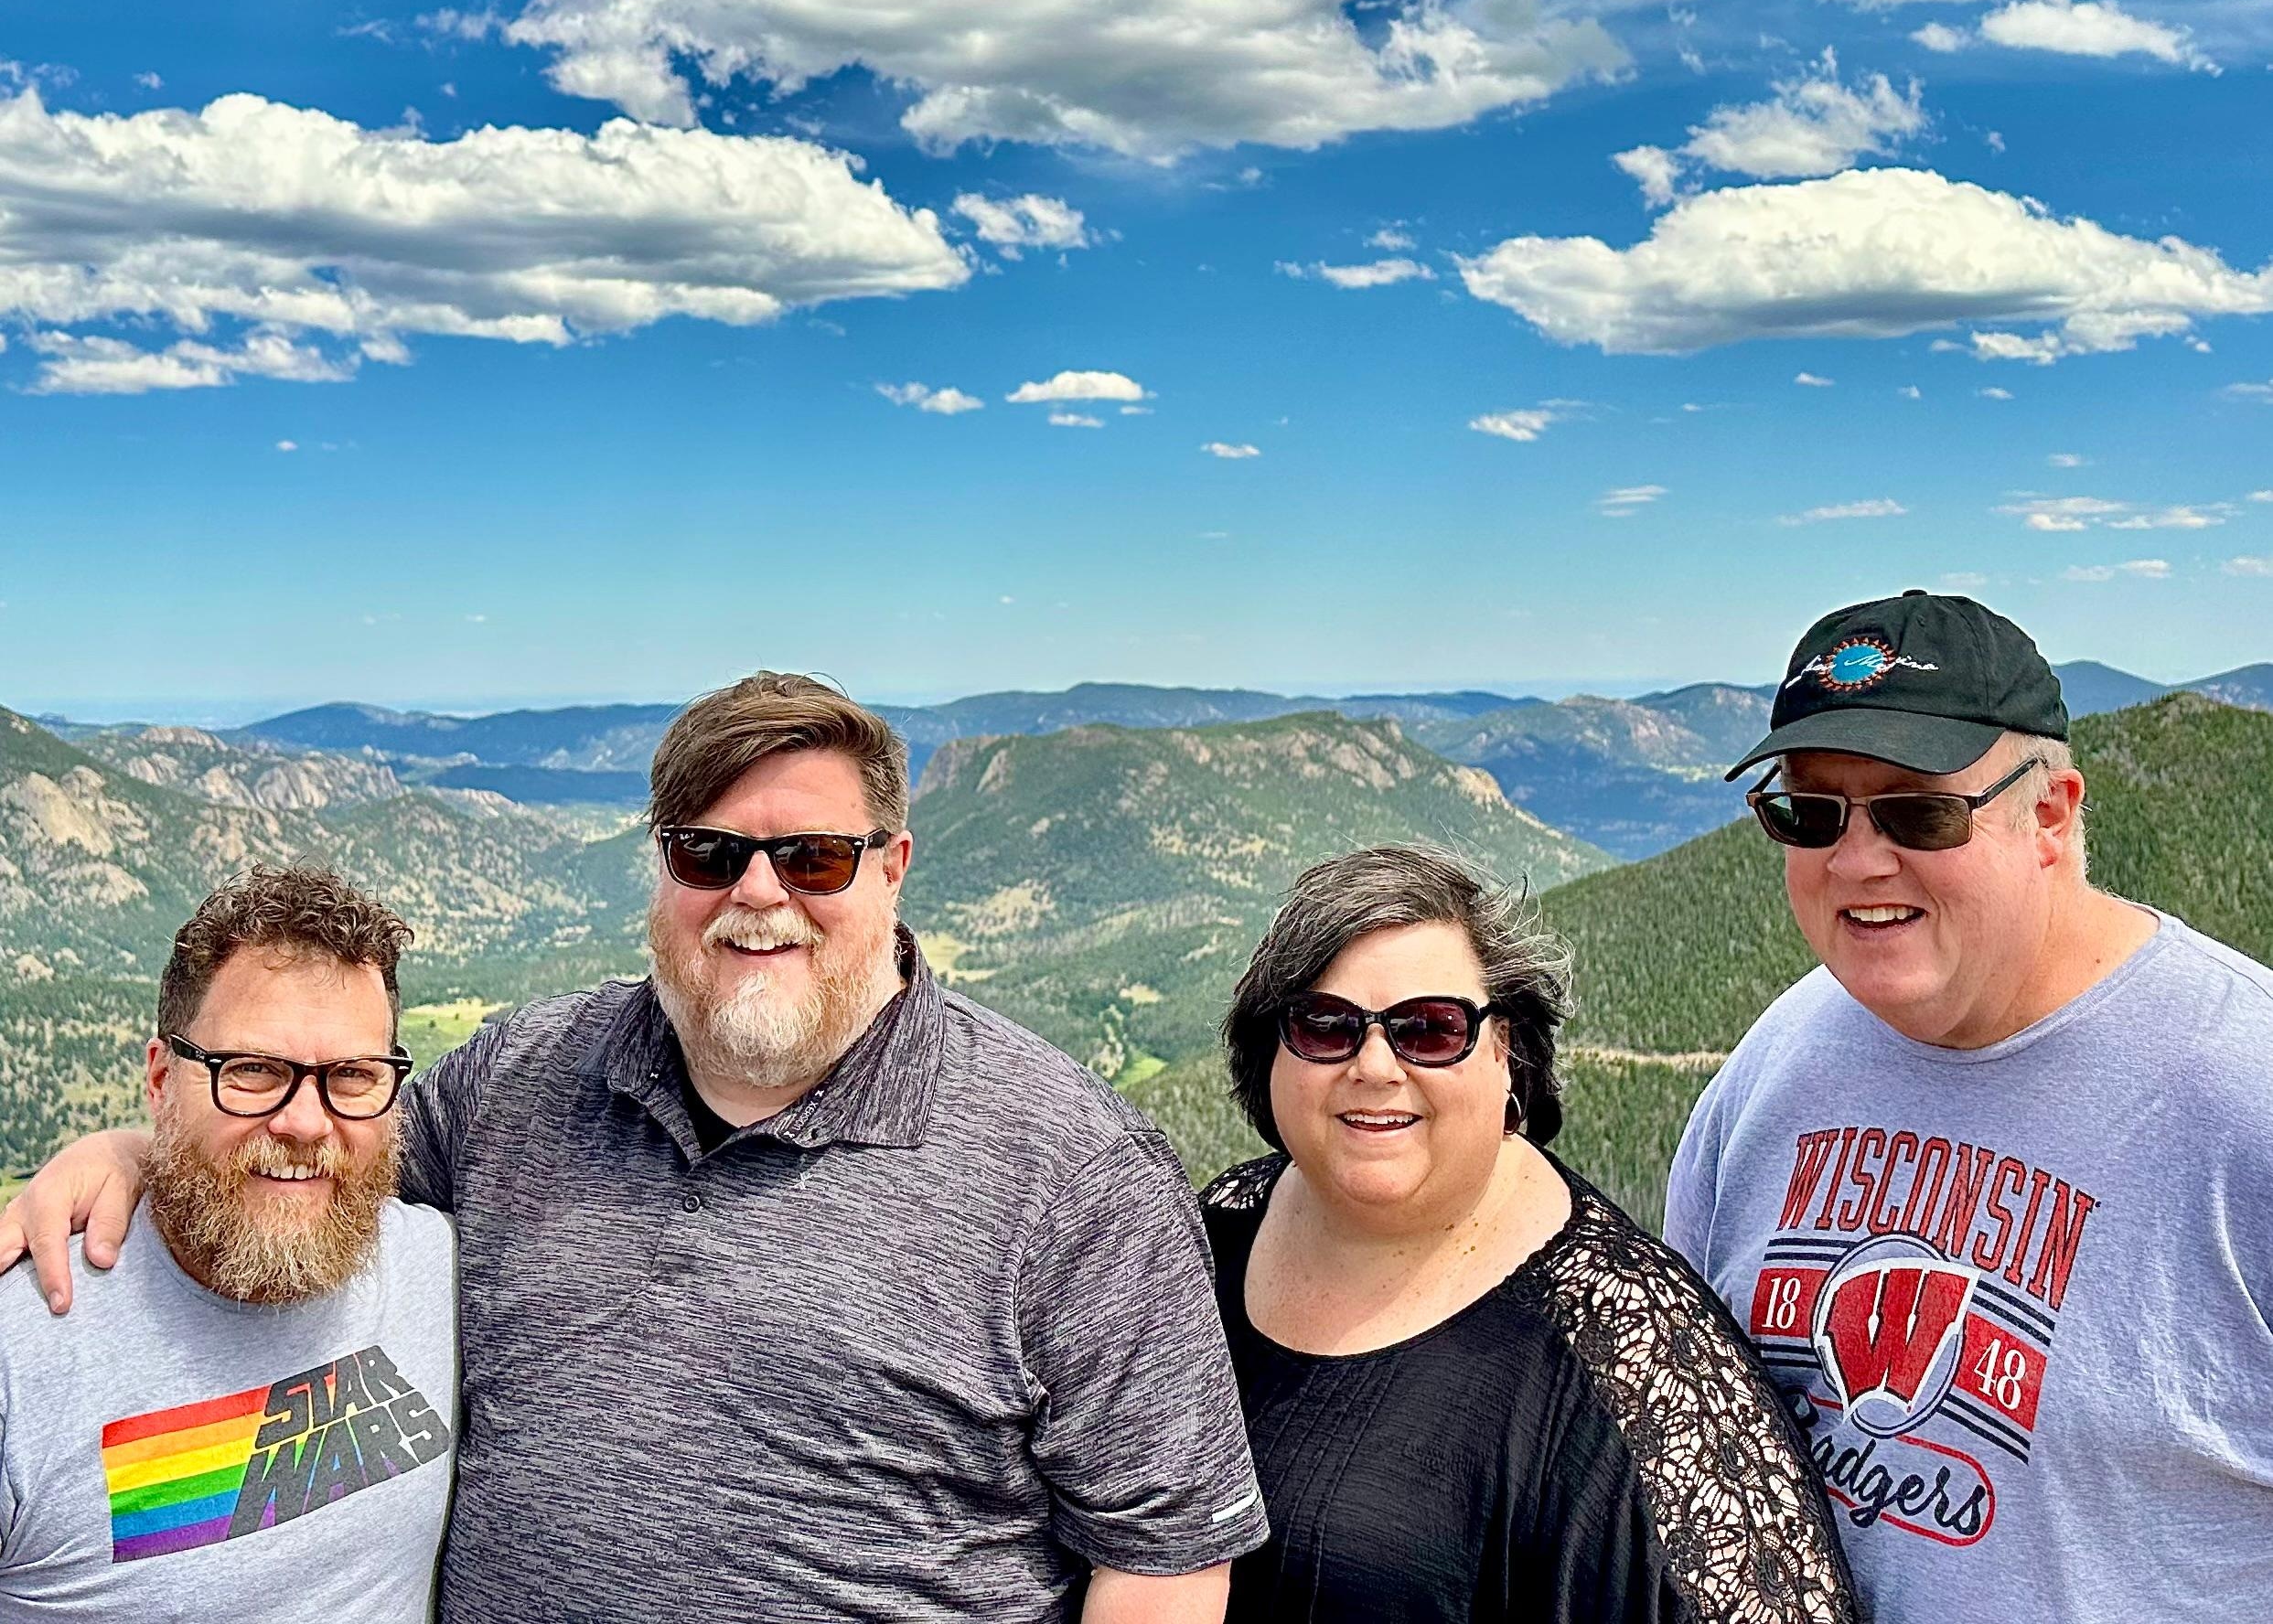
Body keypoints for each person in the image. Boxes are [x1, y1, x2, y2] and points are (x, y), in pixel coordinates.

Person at [1, 672, 1265, 1623]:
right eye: (707, 853)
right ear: (660, 868)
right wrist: (139, 1146)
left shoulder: (1077, 1173)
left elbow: (1163, 1561)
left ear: (893, 869)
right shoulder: (522, 1076)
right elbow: (317, 1144)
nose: (757, 893)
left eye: (814, 856)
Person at [1666, 589, 2273, 1619]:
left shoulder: (2241, 1093)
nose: (1857, 860)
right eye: (1810, 812)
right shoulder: (1777, 1060)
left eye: (1919, 812)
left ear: (2051, 814)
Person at [1200, 842, 1859, 1623]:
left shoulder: (1631, 1352)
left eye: (1429, 1029)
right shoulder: (1214, 1233)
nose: (1374, 1066)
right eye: (1324, 1026)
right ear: (1271, 1047)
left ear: (1505, 1050)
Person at [0, 866, 456, 1619]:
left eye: (352, 1075)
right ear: (160, 1081)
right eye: (252, 1070)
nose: (305, 1123)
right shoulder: (23, 1353)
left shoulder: (443, 1271)